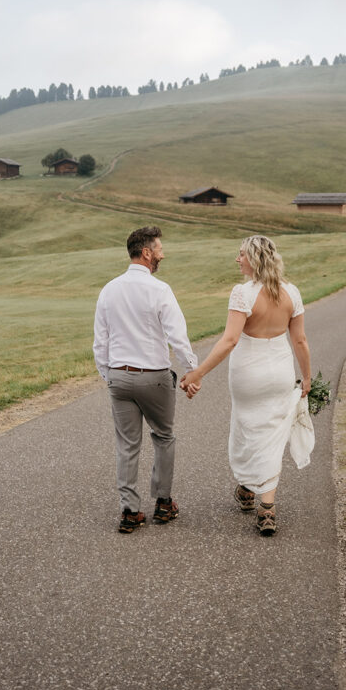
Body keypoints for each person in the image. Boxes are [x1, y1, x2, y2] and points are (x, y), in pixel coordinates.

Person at [181, 235, 313, 536]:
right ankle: (256, 497)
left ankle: (257, 498)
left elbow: (229, 340)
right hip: (280, 371)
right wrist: (306, 377)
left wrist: (198, 372)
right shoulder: (291, 292)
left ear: (254, 259)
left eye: (241, 255)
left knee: (248, 428)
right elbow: (300, 341)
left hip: (247, 374)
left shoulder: (243, 293)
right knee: (272, 432)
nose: (237, 260)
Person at [93, 226, 198, 533]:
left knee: (127, 445)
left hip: (119, 378)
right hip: (153, 377)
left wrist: (108, 376)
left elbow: (101, 342)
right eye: (159, 249)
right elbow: (177, 337)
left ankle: (129, 511)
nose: (163, 254)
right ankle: (163, 504)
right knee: (163, 436)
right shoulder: (159, 290)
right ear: (147, 253)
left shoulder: (108, 289)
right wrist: (191, 371)